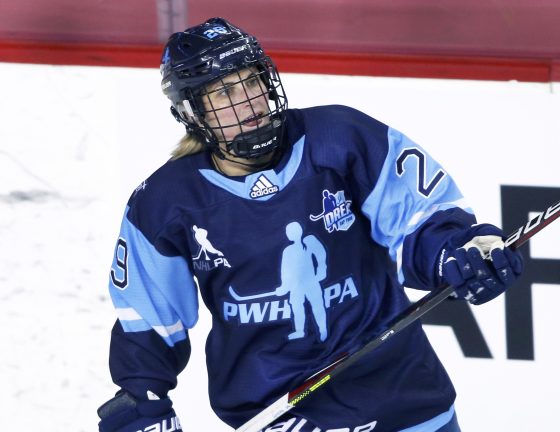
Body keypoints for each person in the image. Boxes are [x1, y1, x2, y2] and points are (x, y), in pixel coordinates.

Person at [97, 17, 524, 432]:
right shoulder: (165, 203)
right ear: (194, 111)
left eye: (252, 82)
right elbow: (150, 316)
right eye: (224, 92)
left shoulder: (340, 138)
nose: (249, 102)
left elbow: (419, 218)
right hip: (281, 413)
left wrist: (457, 252)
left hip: (401, 395)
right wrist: (142, 398)